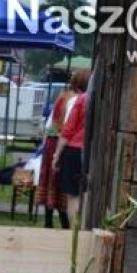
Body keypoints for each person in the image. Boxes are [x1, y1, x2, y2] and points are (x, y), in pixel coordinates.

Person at [39, 71, 85, 229]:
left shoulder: (62, 97)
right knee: (65, 187)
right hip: (64, 143)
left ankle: (49, 221)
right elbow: (67, 128)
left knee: (52, 182)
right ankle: (66, 224)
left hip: (53, 142)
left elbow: (49, 125)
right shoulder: (77, 100)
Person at [52, 68, 89, 227]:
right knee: (87, 194)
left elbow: (68, 130)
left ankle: (74, 233)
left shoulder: (80, 100)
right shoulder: (102, 100)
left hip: (74, 150)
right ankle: (85, 229)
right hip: (94, 152)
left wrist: (56, 155)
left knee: (73, 196)